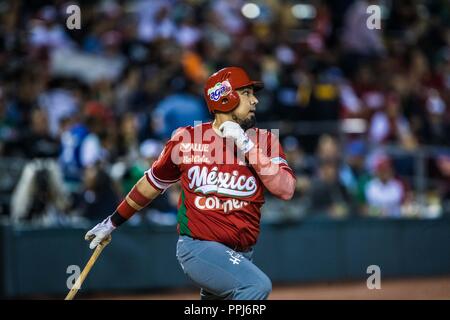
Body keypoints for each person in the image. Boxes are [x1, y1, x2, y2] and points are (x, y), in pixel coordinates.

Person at [84, 67, 297, 300]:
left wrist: (245, 145)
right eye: (246, 93)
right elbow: (151, 184)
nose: (255, 100)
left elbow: (285, 189)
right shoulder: (187, 140)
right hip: (199, 247)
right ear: (226, 97)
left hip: (241, 254)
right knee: (256, 286)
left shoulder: (264, 142)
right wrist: (112, 222)